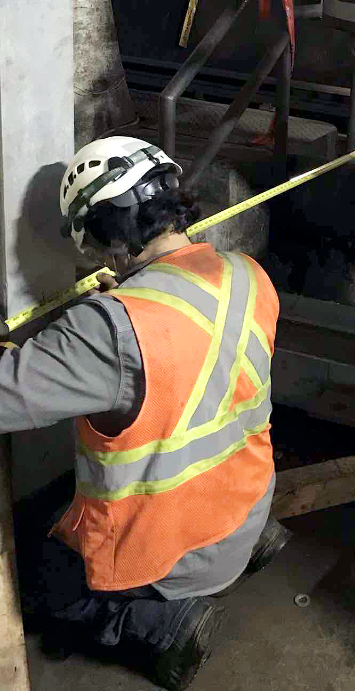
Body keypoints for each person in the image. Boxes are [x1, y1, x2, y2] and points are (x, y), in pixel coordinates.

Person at [0, 136, 287, 690]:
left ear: (102, 235)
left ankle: (158, 625)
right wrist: (127, 293)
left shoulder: (107, 329)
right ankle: (249, 545)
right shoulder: (246, 273)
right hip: (246, 507)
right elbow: (187, 358)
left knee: (31, 570)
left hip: (172, 557)